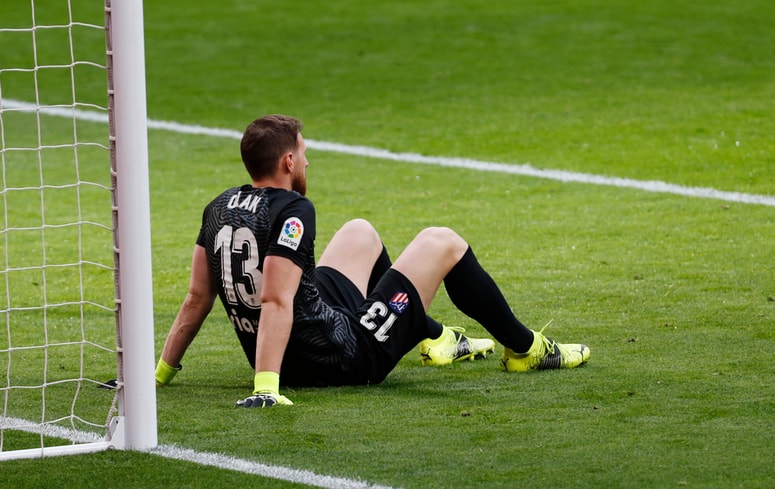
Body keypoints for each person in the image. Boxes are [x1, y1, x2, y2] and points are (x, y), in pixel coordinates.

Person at [155, 114, 590, 408]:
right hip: (341, 358)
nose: (307, 161)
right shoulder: (294, 209)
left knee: (359, 232)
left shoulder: (218, 207)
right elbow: (276, 299)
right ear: (288, 161)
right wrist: (266, 387)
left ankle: (435, 339)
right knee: (442, 242)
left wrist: (161, 374)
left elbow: (197, 298)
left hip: (293, 344)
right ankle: (527, 349)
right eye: (303, 154)